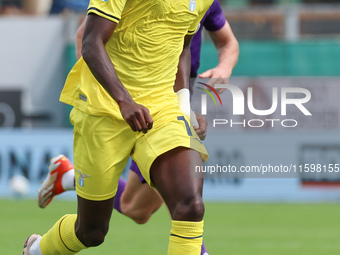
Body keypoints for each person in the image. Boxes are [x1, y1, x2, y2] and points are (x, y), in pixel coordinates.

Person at [36, 1, 239, 255]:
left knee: (190, 204)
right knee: (92, 231)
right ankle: (36, 250)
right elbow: (88, 41)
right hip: (104, 110)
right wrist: (120, 98)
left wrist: (184, 108)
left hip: (162, 107)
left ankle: (67, 177)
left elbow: (183, 45)